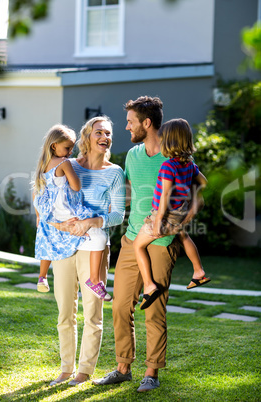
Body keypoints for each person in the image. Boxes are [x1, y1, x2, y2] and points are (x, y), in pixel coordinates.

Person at [93, 96, 199, 392]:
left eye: (130, 122)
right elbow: (125, 191)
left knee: (154, 311)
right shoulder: (133, 155)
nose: (126, 127)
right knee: (121, 306)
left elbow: (200, 183)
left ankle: (151, 372)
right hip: (133, 240)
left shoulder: (175, 157)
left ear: (147, 123)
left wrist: (186, 218)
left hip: (162, 241)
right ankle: (123, 367)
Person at [40, 116, 125, 387]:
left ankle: (84, 371)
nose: (105, 137)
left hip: (95, 246)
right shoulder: (66, 164)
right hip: (63, 245)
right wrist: (59, 224)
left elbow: (119, 215)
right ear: (87, 137)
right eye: (99, 132)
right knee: (65, 311)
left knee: (92, 312)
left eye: (108, 133)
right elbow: (43, 201)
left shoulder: (115, 172)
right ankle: (66, 368)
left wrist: (92, 221)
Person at [133, 118, 210, 310]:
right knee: (183, 235)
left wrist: (157, 221)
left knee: (138, 246)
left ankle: (149, 286)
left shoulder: (168, 166)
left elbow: (164, 196)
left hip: (166, 215)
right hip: (180, 212)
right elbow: (204, 183)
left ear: (169, 141)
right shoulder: (189, 164)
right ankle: (199, 272)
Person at [33, 124, 111, 301]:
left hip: (50, 214)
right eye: (67, 148)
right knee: (99, 236)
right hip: (67, 210)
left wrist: (40, 215)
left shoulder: (42, 165)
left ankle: (42, 276)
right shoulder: (64, 163)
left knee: (48, 240)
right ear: (54, 146)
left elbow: (36, 193)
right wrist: (72, 174)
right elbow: (76, 186)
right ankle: (94, 280)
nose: (69, 152)